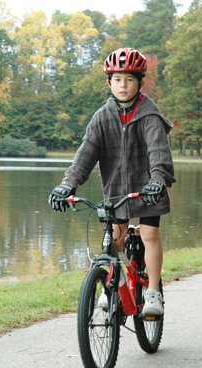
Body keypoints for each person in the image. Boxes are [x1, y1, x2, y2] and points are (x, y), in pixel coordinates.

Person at [48, 47, 176, 316]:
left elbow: (158, 153)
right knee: (114, 240)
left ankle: (153, 291)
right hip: (116, 190)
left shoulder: (149, 115)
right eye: (117, 79)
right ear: (109, 83)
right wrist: (67, 184)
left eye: (129, 79)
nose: (123, 85)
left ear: (139, 82)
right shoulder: (101, 118)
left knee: (149, 234)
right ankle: (115, 286)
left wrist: (158, 180)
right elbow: (85, 155)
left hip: (149, 189)